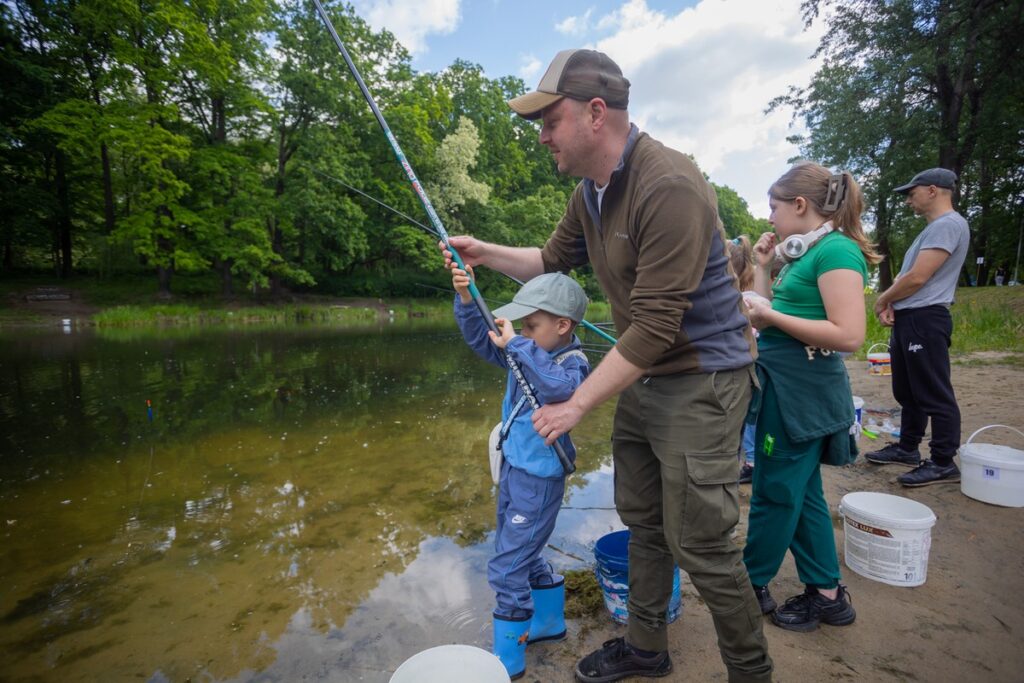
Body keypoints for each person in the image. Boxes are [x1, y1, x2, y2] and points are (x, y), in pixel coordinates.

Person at [443, 49, 772, 683]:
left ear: (596, 113)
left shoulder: (667, 184)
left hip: (704, 379)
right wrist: (482, 253)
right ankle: (646, 648)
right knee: (644, 523)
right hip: (644, 374)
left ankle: (752, 672)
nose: (541, 136)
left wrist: (575, 404)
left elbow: (654, 326)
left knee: (701, 544)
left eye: (550, 120)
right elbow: (546, 261)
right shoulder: (589, 194)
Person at [741, 163, 879, 632]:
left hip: (803, 394)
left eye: (774, 208)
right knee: (805, 494)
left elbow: (849, 334)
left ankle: (749, 583)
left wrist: (773, 318)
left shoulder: (837, 252)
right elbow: (766, 316)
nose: (772, 219)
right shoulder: (800, 257)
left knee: (774, 491)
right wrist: (762, 270)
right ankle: (827, 593)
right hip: (786, 387)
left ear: (800, 206)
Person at [452, 266, 591, 680]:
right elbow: (483, 340)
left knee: (506, 565)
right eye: (523, 326)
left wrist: (520, 345)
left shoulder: (574, 362)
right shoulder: (525, 348)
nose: (523, 332)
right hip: (514, 469)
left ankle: (508, 659)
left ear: (562, 326)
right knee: (520, 551)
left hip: (540, 480)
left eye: (531, 325)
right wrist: (464, 298)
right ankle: (548, 625)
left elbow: (559, 391)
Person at [867, 168, 970, 486]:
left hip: (927, 319)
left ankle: (942, 461)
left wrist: (882, 299)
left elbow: (917, 277)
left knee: (933, 392)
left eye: (912, 192)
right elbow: (909, 279)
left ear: (933, 190)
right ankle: (908, 449)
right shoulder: (932, 229)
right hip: (911, 317)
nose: (908, 198)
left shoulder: (949, 225)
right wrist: (895, 305)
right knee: (908, 392)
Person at [729, 236, 758, 485]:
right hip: (749, 379)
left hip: (738, 380)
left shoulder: (739, 303)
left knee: (745, 425)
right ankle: (745, 461)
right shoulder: (753, 298)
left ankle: (749, 463)